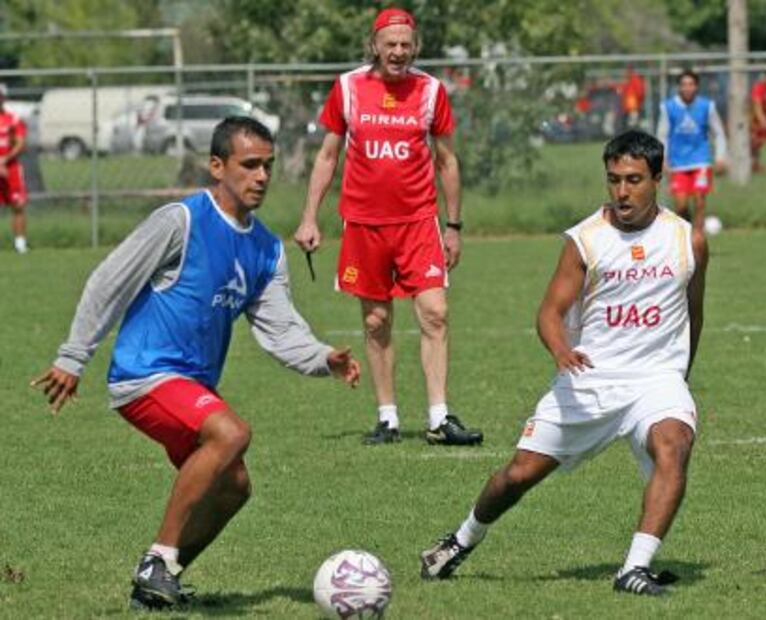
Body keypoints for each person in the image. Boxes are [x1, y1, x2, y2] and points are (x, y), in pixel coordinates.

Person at [31, 116, 361, 610]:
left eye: (268, 166)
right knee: (231, 434)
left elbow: (279, 327)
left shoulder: (267, 248)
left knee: (234, 488)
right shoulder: (181, 221)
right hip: (146, 374)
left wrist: (321, 357)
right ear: (216, 166)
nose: (262, 176)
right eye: (249, 165)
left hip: (190, 384)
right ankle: (156, 560)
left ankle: (160, 581)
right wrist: (73, 356)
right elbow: (109, 280)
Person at [421, 130, 708, 597]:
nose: (621, 192)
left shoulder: (687, 240)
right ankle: (461, 539)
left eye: (634, 180)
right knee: (518, 475)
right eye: (613, 180)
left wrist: (680, 378)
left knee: (674, 445)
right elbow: (549, 313)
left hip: (655, 379)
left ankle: (633, 569)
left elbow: (694, 311)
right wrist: (560, 350)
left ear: (658, 179)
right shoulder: (585, 240)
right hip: (587, 379)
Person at [294, 7, 482, 447]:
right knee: (377, 321)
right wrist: (309, 217)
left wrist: (452, 225)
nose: (398, 52)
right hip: (363, 224)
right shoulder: (348, 88)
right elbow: (327, 157)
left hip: (419, 222)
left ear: (414, 47)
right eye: (390, 44)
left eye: (405, 45)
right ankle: (388, 417)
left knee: (435, 312)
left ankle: (439, 417)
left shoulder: (432, 91)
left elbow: (447, 161)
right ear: (374, 45)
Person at [657, 69, 727, 231]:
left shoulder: (706, 106)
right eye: (684, 84)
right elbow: (663, 135)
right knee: (681, 205)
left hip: (700, 160)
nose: (687, 88)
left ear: (696, 87)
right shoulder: (668, 107)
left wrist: (720, 157)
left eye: (691, 84)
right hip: (678, 163)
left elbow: (719, 133)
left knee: (700, 201)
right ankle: (687, 231)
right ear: (678, 87)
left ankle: (697, 238)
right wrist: (663, 159)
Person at [0, 83, 29, 253]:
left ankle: (20, 245)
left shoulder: (13, 119)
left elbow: (20, 143)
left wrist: (4, 160)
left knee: (18, 205)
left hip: (10, 169)